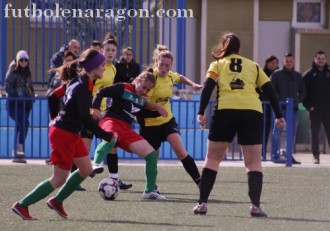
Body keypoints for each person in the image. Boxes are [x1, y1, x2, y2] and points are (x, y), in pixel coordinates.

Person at [11, 48, 114, 220]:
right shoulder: (82, 87)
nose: (104, 68)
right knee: (59, 178)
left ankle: (57, 201)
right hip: (64, 134)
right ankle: (22, 205)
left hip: (70, 132)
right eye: (102, 65)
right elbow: (85, 118)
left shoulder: (79, 81)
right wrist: (106, 135)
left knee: (86, 169)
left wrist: (54, 118)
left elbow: (52, 96)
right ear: (93, 67)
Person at [193, 33, 285, 217]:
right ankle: (255, 206)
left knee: (212, 158)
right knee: (254, 162)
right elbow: (270, 90)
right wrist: (279, 115)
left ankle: (202, 204)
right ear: (239, 49)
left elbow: (208, 86)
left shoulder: (217, 64)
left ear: (224, 47)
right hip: (252, 112)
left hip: (226, 111)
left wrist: (201, 112)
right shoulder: (254, 66)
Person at [91, 71, 168, 200]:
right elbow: (101, 92)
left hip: (126, 129)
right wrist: (96, 108)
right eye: (143, 87)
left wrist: (158, 110)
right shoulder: (123, 88)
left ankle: (149, 191)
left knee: (152, 154)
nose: (145, 91)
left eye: (148, 90)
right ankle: (96, 164)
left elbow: (143, 110)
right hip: (111, 121)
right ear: (137, 80)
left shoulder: (142, 99)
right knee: (111, 138)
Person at [138, 45, 202, 192]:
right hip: (149, 124)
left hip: (167, 121)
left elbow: (180, 77)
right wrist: (156, 107)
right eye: (162, 65)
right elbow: (142, 101)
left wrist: (193, 84)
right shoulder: (150, 77)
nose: (164, 68)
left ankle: (201, 183)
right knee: (152, 157)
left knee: (180, 151)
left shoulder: (171, 76)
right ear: (156, 63)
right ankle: (152, 186)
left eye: (167, 66)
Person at [82, 34, 133, 190]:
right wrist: (90, 108)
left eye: (113, 50)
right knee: (85, 145)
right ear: (102, 51)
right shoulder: (97, 67)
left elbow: (109, 90)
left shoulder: (113, 68)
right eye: (108, 50)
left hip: (105, 113)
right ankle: (74, 177)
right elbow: (89, 88)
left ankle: (114, 180)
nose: (110, 52)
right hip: (92, 111)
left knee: (113, 144)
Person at [270, 53, 306, 164]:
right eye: (287, 61)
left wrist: (297, 100)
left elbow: (303, 91)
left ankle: (288, 155)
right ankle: (275, 156)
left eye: (291, 61)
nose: (289, 63)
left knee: (291, 134)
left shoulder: (297, 76)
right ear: (283, 62)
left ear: (293, 62)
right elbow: (271, 90)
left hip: (293, 110)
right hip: (279, 110)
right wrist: (280, 99)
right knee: (277, 132)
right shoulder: (276, 75)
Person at [5, 50, 35, 163]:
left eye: (25, 60)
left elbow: (29, 86)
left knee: (20, 126)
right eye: (21, 59)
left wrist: (31, 97)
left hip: (25, 105)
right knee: (24, 123)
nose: (23, 62)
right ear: (17, 60)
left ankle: (16, 153)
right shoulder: (13, 71)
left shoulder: (27, 72)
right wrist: (18, 96)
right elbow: (7, 87)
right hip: (14, 104)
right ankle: (20, 148)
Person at [303, 50, 330, 164]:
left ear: (326, 60)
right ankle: (316, 156)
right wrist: (309, 106)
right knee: (315, 133)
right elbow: (303, 92)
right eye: (319, 59)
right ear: (315, 59)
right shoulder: (308, 74)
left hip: (328, 109)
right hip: (315, 110)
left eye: (323, 59)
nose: (321, 61)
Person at [259, 55, 279, 158]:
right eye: (271, 63)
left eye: (275, 63)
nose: (273, 65)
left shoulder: (279, 74)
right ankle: (261, 153)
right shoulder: (261, 73)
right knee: (264, 130)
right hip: (264, 105)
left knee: (276, 131)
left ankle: (276, 154)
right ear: (267, 63)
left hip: (276, 106)